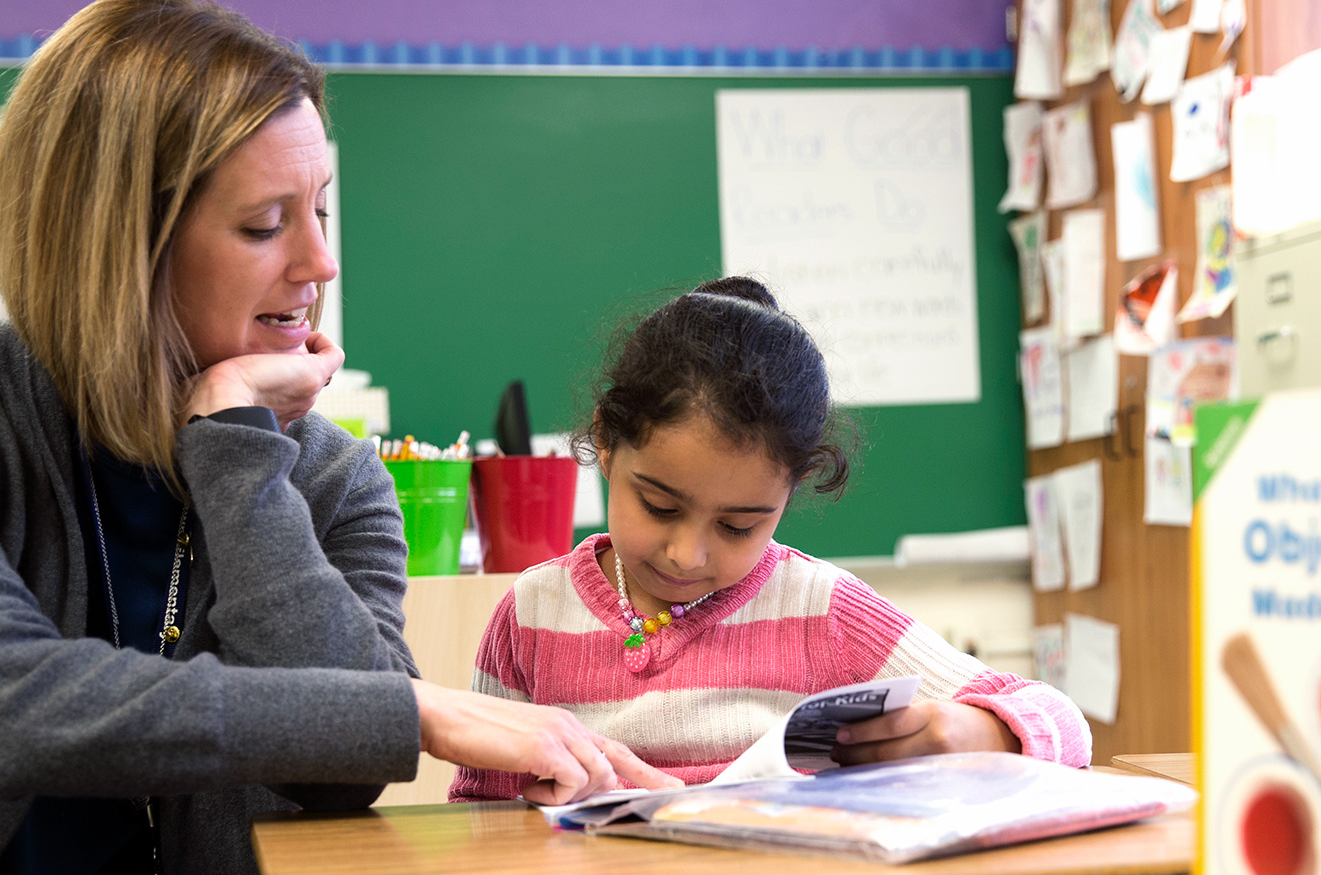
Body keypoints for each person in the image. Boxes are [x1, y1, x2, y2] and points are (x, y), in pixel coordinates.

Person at [0, 2, 672, 873]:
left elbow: (340, 779)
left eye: (322, 211)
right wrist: (413, 711)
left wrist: (237, 449)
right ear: (117, 241)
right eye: (265, 224)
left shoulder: (335, 478)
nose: (321, 261)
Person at [450, 277, 1092, 802]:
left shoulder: (822, 610)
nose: (687, 553)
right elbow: (479, 816)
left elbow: (1064, 725)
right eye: (659, 505)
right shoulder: (531, 615)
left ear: (790, 493)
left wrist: (979, 732)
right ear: (608, 445)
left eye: (739, 526)